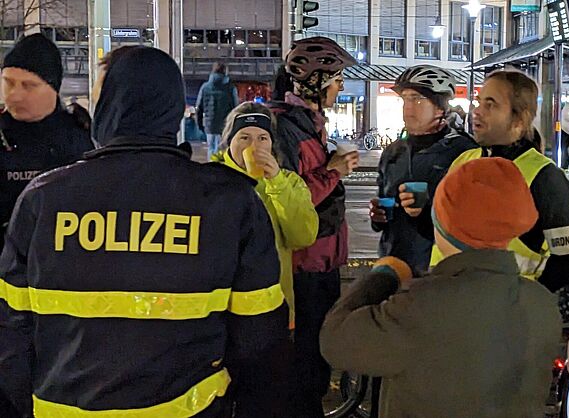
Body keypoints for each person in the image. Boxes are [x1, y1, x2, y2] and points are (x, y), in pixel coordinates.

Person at [0, 46, 286, 418]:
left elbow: (10, 330)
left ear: (110, 104)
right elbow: (260, 338)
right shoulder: (230, 201)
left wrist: (32, 404)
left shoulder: (42, 200)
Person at [321, 157, 562, 418]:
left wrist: (384, 274)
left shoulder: (420, 307)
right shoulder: (542, 304)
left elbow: (336, 340)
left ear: (444, 222)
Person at [268, 36, 359, 418]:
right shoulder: (285, 128)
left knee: (316, 362)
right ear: (315, 83)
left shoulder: (311, 124)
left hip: (323, 264)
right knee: (303, 368)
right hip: (303, 267)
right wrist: (333, 172)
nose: (340, 87)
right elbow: (288, 198)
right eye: (336, 80)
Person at [212, 101, 318, 417]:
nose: (254, 146)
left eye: (262, 138)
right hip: (219, 312)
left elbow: (303, 235)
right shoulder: (211, 181)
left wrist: (276, 185)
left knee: (266, 396)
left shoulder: (288, 181)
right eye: (244, 137)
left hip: (273, 309)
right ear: (228, 141)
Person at [430, 70, 569, 293]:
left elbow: (568, 261)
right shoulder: (463, 161)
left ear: (519, 119)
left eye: (491, 104)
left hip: (503, 316)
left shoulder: (545, 178)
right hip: (448, 303)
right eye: (478, 101)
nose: (477, 111)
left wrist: (522, 303)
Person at [370, 65, 477, 277]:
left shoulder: (463, 153)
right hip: (392, 268)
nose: (408, 109)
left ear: (440, 107)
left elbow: (474, 221)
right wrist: (378, 217)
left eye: (417, 99)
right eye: (405, 100)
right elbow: (384, 204)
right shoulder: (393, 152)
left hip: (438, 273)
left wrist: (428, 211)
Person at [0, 33, 93, 252]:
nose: (14, 95)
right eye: (8, 83)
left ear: (53, 88)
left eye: (29, 86)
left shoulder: (77, 138)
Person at [196, 62, 239, 160]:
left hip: (210, 126)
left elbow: (199, 108)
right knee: (223, 152)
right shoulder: (230, 88)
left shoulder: (205, 87)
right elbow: (235, 109)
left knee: (211, 150)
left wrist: (200, 126)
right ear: (225, 72)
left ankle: (210, 171)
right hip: (225, 127)